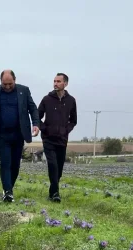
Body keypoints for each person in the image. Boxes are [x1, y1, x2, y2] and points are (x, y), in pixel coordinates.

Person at [0, 69, 40, 203]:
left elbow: (32, 108)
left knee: (15, 165)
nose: (8, 87)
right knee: (5, 162)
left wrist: (36, 124)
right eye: (5, 84)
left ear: (15, 80)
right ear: (0, 81)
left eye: (10, 84)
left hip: (18, 134)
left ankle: (9, 188)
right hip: (2, 134)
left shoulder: (24, 91)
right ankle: (8, 192)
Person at [38, 73, 77, 203]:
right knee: (53, 165)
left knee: (59, 169)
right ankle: (56, 194)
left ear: (65, 83)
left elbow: (73, 120)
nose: (55, 83)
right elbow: (37, 116)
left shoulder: (71, 101)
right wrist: (44, 129)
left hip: (62, 140)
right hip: (48, 139)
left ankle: (52, 192)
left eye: (58, 81)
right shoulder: (46, 99)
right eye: (54, 81)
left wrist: (66, 130)